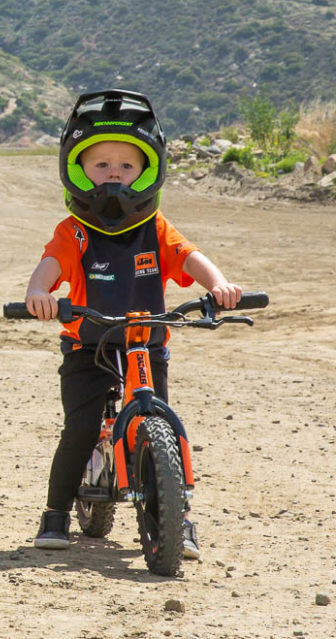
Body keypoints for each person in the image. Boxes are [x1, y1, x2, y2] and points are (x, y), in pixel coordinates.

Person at [23, 89, 242, 558]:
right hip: (88, 344)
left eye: (127, 166)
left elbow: (190, 257)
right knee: (81, 428)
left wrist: (219, 285)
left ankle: (177, 519)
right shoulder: (75, 230)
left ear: (148, 172)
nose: (114, 176)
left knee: (158, 418)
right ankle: (56, 514)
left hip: (146, 342)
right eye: (101, 166)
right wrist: (39, 294)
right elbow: (50, 265)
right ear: (78, 171)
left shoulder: (156, 227)